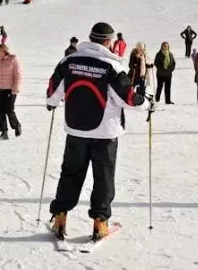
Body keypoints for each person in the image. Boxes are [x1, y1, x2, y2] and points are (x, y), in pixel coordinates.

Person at [46, 22, 148, 241]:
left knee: (70, 173)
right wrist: (148, 104)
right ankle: (100, 222)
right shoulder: (111, 66)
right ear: (108, 42)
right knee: (103, 176)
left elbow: (54, 88)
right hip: (105, 133)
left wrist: (51, 103)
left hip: (75, 129)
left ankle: (60, 215)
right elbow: (128, 97)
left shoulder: (69, 61)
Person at [0, 44, 23, 140]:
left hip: (10, 89)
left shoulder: (13, 59)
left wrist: (15, 88)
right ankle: (4, 132)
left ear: (3, 51)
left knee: (9, 110)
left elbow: (18, 75)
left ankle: (16, 125)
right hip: (0, 89)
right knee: (0, 111)